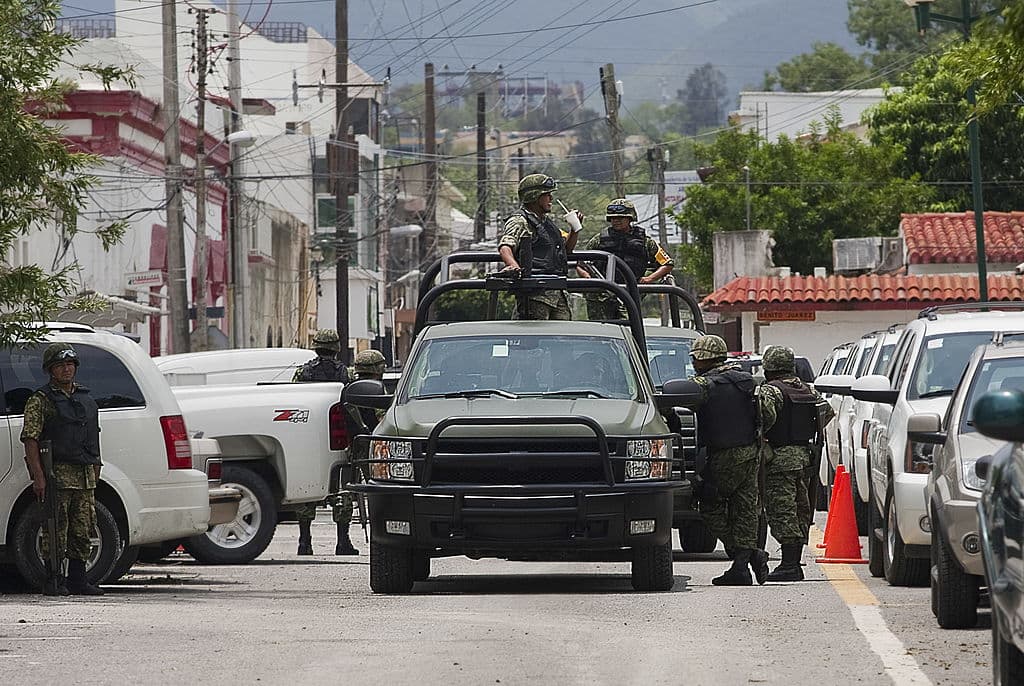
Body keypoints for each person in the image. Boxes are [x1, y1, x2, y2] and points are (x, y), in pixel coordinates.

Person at [687, 334, 776, 586]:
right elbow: (767, 415)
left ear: (703, 360)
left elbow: (679, 399)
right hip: (751, 453)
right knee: (746, 509)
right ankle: (743, 564)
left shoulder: (705, 384)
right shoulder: (748, 381)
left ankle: (746, 556)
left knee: (708, 503)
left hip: (722, 455)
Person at [21, 343, 104, 596]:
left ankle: (78, 579)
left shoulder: (86, 399)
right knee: (56, 529)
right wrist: (39, 476)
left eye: (70, 364)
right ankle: (53, 579)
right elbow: (30, 439)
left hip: (85, 474)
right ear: (50, 370)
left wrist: (96, 466)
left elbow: (93, 436)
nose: (66, 369)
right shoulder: (40, 400)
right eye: (60, 365)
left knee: (84, 528)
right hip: (57, 474)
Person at [759, 345, 835, 582]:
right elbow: (828, 413)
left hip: (780, 459)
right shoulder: (806, 390)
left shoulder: (771, 391)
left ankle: (790, 565)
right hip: (805, 458)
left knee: (782, 510)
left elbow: (765, 417)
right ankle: (793, 561)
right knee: (801, 508)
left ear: (768, 367)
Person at [292, 329, 351, 555]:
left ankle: (304, 541)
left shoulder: (302, 372)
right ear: (336, 348)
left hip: (308, 438)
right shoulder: (344, 373)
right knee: (342, 490)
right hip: (337, 436)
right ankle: (342, 542)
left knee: (308, 489)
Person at [326, 349, 389, 556]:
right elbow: (383, 420)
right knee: (380, 491)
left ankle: (342, 540)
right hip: (374, 447)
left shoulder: (346, 389)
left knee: (345, 493)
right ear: (378, 369)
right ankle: (382, 538)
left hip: (351, 446)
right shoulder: (377, 389)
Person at [498, 173, 583, 320]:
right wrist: (513, 265)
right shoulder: (520, 220)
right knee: (532, 339)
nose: (551, 199)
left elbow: (566, 250)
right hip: (535, 294)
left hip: (557, 292)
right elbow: (506, 245)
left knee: (562, 339)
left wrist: (574, 229)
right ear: (534, 196)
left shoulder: (547, 223)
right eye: (546, 194)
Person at [579, 198, 674, 320]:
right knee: (600, 332)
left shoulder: (645, 241)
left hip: (629, 295)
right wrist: (588, 277)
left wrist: (649, 279)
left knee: (628, 331)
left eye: (620, 218)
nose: (616, 221)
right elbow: (580, 263)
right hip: (600, 297)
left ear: (630, 218)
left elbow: (667, 264)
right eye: (613, 218)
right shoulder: (599, 240)